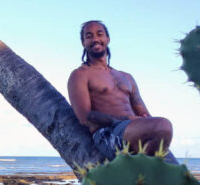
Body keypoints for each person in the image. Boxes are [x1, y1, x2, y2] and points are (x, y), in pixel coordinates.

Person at [67, 20, 173, 159]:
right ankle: (142, 168)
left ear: (107, 39)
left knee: (181, 176)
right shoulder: (80, 74)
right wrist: (128, 119)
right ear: (83, 43)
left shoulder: (126, 77)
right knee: (163, 125)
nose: (95, 39)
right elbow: (84, 117)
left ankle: (142, 169)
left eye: (99, 34)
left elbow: (144, 113)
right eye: (89, 36)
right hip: (108, 134)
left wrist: (149, 126)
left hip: (135, 130)